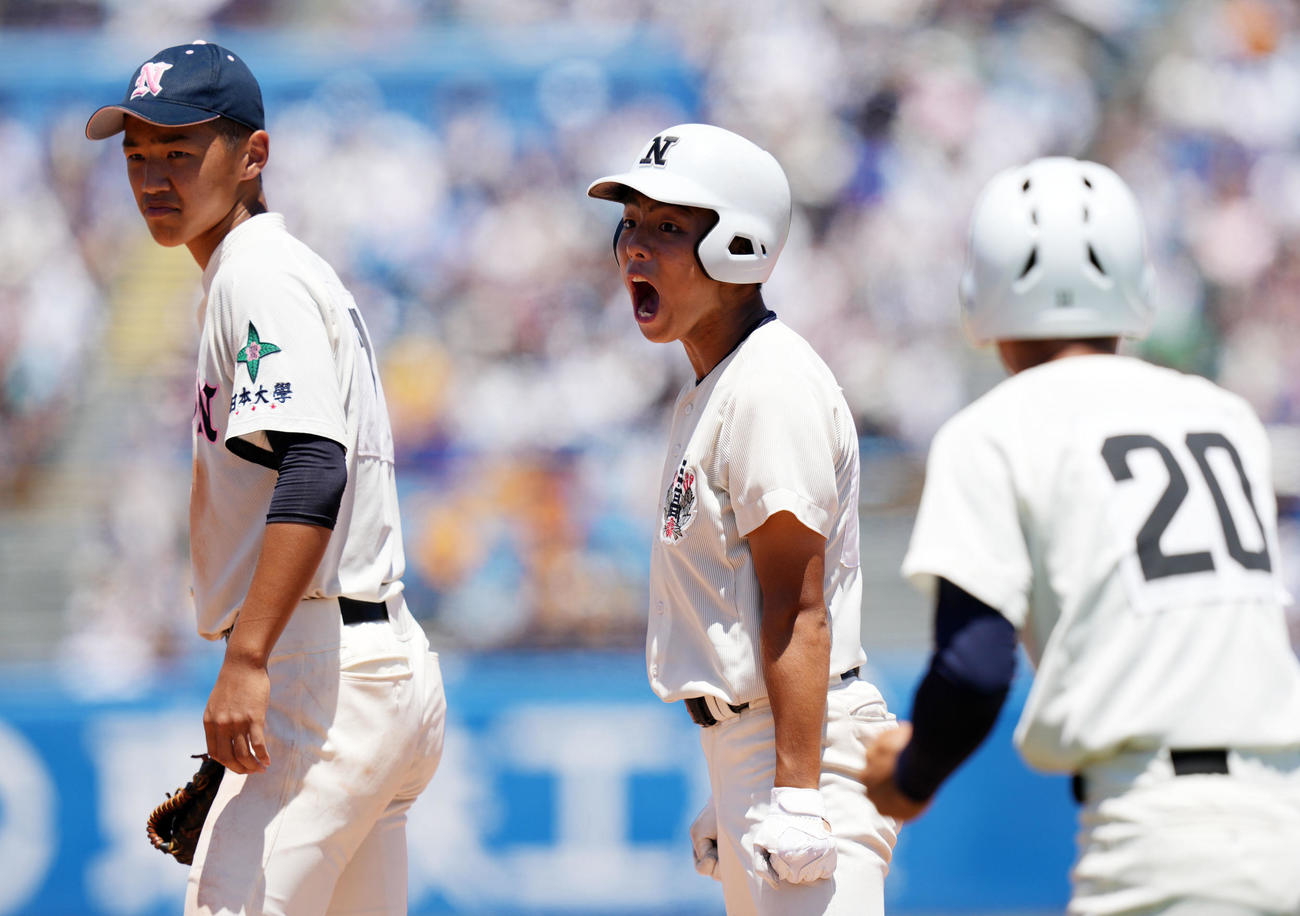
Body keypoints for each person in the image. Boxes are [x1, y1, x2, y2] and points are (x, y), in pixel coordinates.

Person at [862, 156, 1300, 915]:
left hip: (1157, 834)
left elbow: (973, 668)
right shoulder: (1224, 416)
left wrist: (912, 773)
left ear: (982, 297)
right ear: (1138, 288)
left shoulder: (992, 430)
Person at [86, 42, 446, 916]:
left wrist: (249, 661)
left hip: (325, 675)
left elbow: (314, 466)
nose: (152, 177)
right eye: (137, 155)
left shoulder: (257, 272)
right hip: (369, 663)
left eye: (180, 151)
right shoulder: (261, 272)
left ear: (254, 155)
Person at [587, 123, 898, 915]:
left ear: (740, 246)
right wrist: (733, 778)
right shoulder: (717, 382)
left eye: (668, 227)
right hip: (761, 745)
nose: (634, 247)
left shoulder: (769, 385)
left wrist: (793, 791)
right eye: (630, 221)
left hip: (806, 752)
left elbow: (799, 610)